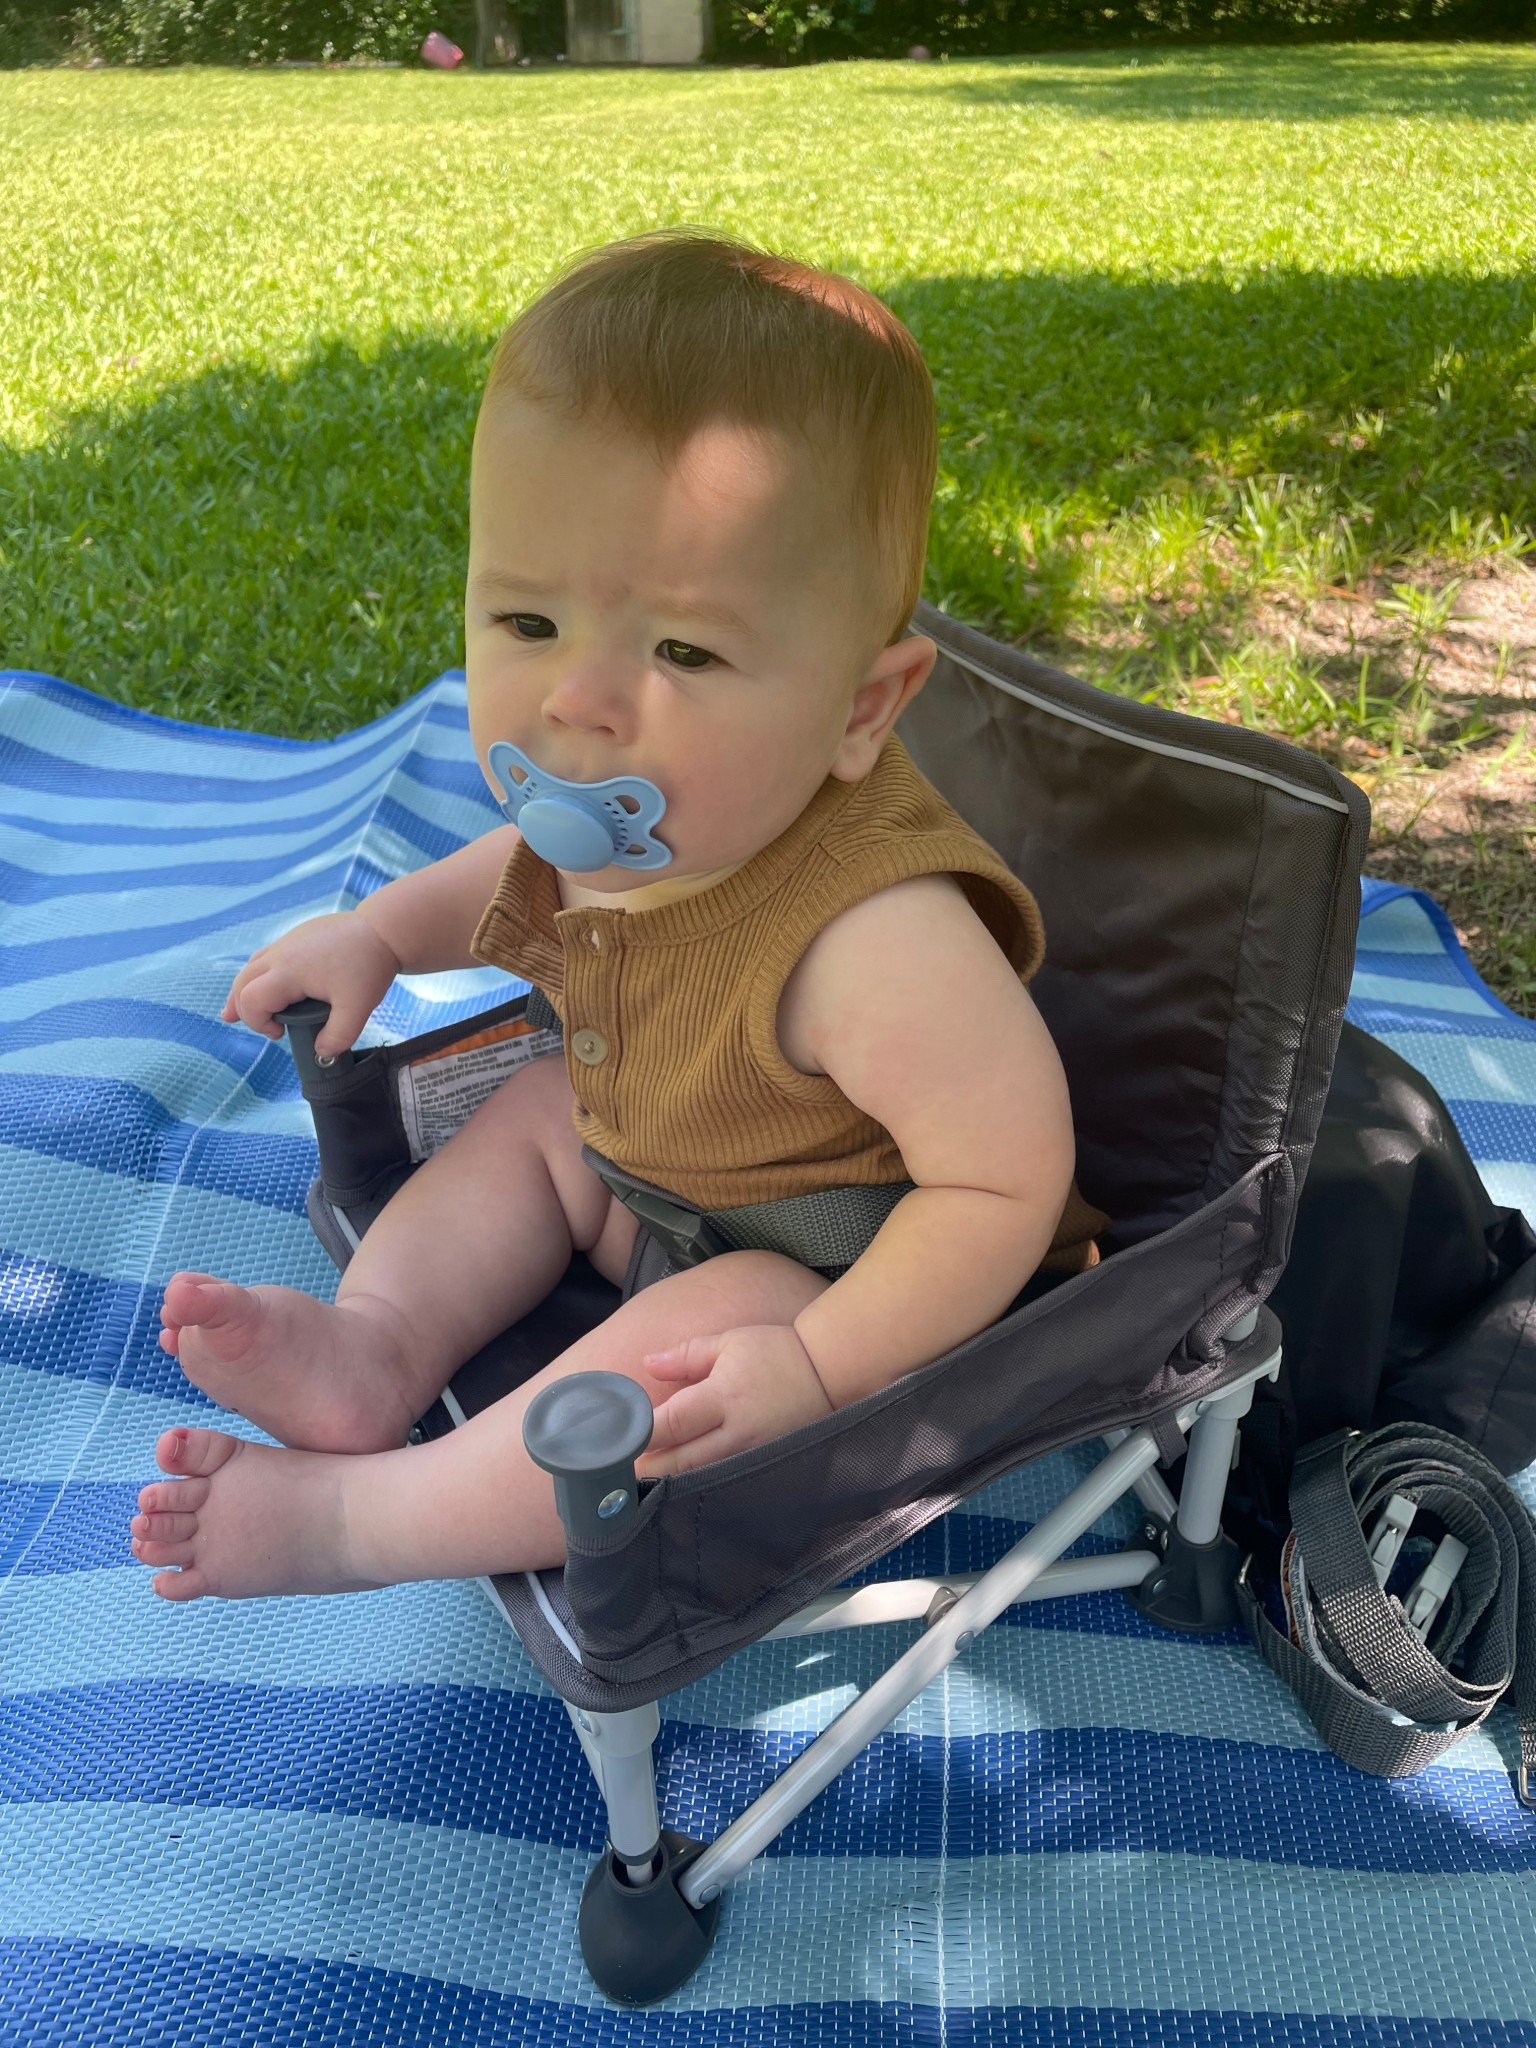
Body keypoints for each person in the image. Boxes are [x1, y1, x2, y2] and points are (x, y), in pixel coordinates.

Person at [130, 228, 1104, 1604]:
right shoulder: (660, 799)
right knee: (533, 1122)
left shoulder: (878, 942)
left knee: (689, 1347)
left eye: (684, 649)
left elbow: (1003, 1183)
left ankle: (370, 1521)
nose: (578, 699)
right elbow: (512, 866)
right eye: (524, 622)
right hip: (660, 1168)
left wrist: (823, 1362)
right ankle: (377, 1344)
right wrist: (381, 938)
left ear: (863, 708)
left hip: (839, 1262)